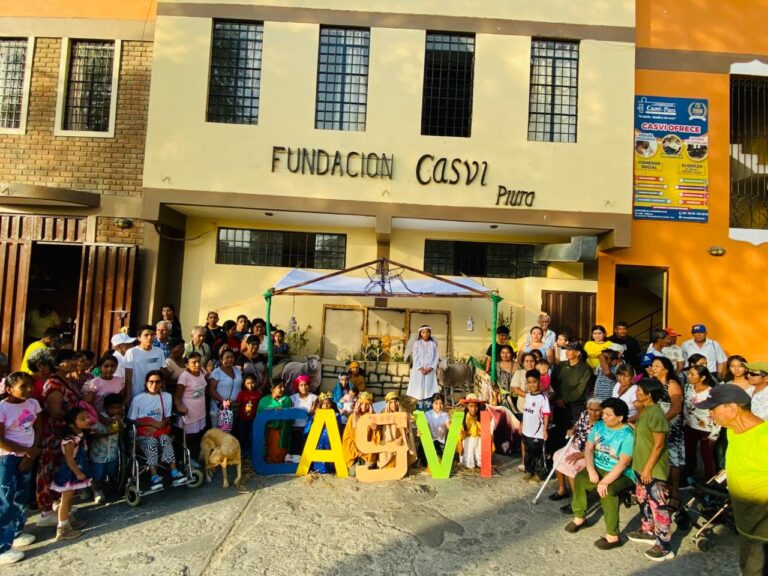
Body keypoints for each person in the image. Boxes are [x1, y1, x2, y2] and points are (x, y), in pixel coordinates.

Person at [697, 384, 768, 576]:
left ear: (732, 408)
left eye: (713, 408)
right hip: (744, 524)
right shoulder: (732, 430)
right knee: (746, 568)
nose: (710, 414)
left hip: (763, 532)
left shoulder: (764, 438)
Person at [565, 397, 635, 550]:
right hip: (598, 467)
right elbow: (589, 449)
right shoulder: (599, 426)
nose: (603, 417)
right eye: (604, 413)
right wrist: (591, 470)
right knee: (581, 478)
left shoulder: (628, 435)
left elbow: (623, 464)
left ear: (620, 417)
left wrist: (604, 481)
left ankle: (613, 535)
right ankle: (580, 517)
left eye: (608, 415)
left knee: (607, 490)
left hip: (622, 473)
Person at [628, 379, 673, 562]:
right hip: (641, 466)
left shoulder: (656, 414)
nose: (637, 393)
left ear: (650, 395)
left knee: (658, 506)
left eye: (640, 391)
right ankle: (648, 530)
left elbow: (659, 445)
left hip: (652, 469)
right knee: (644, 501)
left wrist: (647, 469)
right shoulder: (645, 411)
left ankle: (664, 546)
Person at [36, 350, 82, 528]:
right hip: (56, 434)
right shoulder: (54, 383)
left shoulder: (68, 380)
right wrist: (73, 421)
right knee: (50, 470)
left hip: (68, 432)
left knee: (62, 470)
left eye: (73, 359)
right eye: (67, 360)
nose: (72, 362)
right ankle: (47, 511)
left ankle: (60, 506)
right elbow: (55, 411)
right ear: (56, 364)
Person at [0, 372, 41, 565]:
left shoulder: (33, 404)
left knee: (21, 495)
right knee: (5, 500)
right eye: (23, 386)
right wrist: (26, 452)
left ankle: (16, 532)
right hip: (7, 458)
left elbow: (38, 428)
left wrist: (31, 453)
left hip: (27, 456)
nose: (28, 389)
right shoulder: (2, 408)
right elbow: (1, 440)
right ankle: (2, 547)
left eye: (30, 386)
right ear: (9, 389)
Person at [128, 371, 186, 490]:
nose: (154, 385)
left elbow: (168, 417)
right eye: (151, 382)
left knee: (165, 439)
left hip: (160, 430)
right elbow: (132, 420)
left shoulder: (166, 397)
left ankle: (174, 472)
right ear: (146, 383)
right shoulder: (138, 399)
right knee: (151, 441)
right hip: (143, 433)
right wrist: (152, 424)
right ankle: (154, 476)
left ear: (161, 383)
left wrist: (156, 426)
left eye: (157, 382)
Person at [549, 397, 602, 503]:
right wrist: (572, 430)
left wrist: (582, 454)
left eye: (597, 410)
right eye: (591, 409)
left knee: (571, 466)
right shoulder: (584, 414)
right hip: (574, 445)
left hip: (588, 453)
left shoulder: (603, 424)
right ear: (587, 408)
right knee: (557, 456)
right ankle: (562, 490)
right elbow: (577, 424)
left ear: (602, 410)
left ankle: (576, 500)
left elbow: (600, 447)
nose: (593, 413)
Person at [50, 407, 92, 541]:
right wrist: (78, 473)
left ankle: (69, 520)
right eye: (82, 419)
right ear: (72, 424)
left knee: (70, 499)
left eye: (87, 417)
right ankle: (62, 529)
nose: (87, 420)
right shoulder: (70, 440)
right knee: (66, 500)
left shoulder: (80, 435)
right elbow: (69, 459)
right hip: (70, 473)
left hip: (76, 470)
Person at [650, 356, 685, 506]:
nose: (653, 368)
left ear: (666, 369)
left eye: (657, 366)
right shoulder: (653, 384)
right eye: (652, 365)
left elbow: (676, 408)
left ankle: (675, 491)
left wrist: (661, 422)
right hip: (655, 425)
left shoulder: (672, 384)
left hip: (670, 425)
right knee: (659, 456)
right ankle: (662, 488)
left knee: (673, 460)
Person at [683, 365, 719, 480]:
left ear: (702, 377)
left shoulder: (711, 392)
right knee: (689, 453)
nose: (689, 376)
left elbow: (717, 413)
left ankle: (711, 481)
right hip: (689, 425)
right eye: (689, 373)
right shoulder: (687, 387)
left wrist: (714, 434)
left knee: (707, 455)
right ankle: (689, 476)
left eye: (692, 374)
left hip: (707, 428)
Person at [174, 352, 208, 463]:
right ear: (187, 365)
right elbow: (177, 396)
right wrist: (179, 407)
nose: (197, 364)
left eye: (199, 361)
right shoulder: (184, 377)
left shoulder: (202, 371)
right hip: (189, 412)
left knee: (198, 436)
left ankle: (194, 457)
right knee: (189, 438)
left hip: (200, 411)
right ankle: (187, 460)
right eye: (194, 362)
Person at [89, 393, 123, 504]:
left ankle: (105, 487)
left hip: (112, 453)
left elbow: (122, 433)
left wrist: (120, 424)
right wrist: (106, 433)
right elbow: (91, 435)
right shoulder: (99, 419)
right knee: (98, 474)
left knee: (110, 472)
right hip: (98, 454)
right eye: (112, 408)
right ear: (105, 408)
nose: (115, 410)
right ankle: (96, 491)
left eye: (118, 408)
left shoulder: (119, 418)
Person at [552, 343, 593, 425]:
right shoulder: (560, 365)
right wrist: (558, 398)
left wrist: (564, 400)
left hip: (575, 407)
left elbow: (581, 389)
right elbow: (553, 382)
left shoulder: (585, 369)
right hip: (557, 404)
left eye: (570, 350)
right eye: (566, 350)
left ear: (577, 353)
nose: (567, 352)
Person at [521, 370, 550, 483]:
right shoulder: (528, 396)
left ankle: (540, 474)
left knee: (538, 454)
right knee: (528, 452)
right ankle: (529, 471)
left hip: (537, 433)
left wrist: (545, 430)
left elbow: (546, 414)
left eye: (534, 382)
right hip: (526, 431)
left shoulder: (543, 398)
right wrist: (522, 423)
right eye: (529, 382)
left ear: (539, 382)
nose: (531, 385)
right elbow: (526, 411)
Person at [375, 392, 416, 470]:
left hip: (400, 441)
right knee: (387, 467)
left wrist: (400, 438)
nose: (393, 405)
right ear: (388, 404)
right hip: (387, 441)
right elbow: (379, 429)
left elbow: (407, 430)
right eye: (391, 402)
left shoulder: (403, 412)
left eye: (395, 402)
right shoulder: (383, 412)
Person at [124, 325, 166, 400]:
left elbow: (162, 373)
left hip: (155, 392)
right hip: (136, 393)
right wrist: (128, 395)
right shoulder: (131, 352)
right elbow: (128, 376)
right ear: (139, 338)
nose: (150, 337)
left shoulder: (159, 352)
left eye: (152, 335)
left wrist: (164, 391)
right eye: (146, 335)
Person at [257, 380, 292, 464]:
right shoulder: (264, 401)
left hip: (283, 431)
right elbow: (259, 417)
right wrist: (271, 411)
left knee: (281, 456)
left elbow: (289, 414)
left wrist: (281, 410)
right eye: (280, 387)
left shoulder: (287, 399)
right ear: (272, 389)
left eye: (283, 387)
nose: (283, 389)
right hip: (269, 431)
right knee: (270, 455)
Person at [342, 391, 376, 474]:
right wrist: (356, 450)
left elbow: (375, 437)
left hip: (367, 452)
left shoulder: (374, 418)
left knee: (367, 471)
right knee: (353, 473)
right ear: (358, 404)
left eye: (367, 404)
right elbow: (347, 437)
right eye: (362, 404)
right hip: (354, 451)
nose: (364, 406)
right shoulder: (352, 418)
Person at [407, 325, 439, 410]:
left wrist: (429, 368)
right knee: (419, 390)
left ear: (430, 333)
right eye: (423, 332)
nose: (425, 334)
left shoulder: (433, 344)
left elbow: (436, 358)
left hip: (430, 371)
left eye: (427, 332)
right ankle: (420, 409)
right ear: (420, 333)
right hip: (419, 371)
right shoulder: (417, 344)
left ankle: (428, 409)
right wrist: (421, 369)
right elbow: (415, 357)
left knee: (429, 390)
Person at [208, 349, 243, 428]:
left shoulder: (237, 370)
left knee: (232, 430)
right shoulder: (216, 373)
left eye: (232, 357)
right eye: (227, 357)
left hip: (235, 407)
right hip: (222, 407)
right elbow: (211, 390)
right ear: (221, 359)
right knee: (222, 431)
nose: (230, 359)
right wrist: (223, 401)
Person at [309, 392, 341, 474]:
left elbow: (338, 427)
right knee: (319, 448)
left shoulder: (336, 415)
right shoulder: (316, 415)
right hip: (319, 437)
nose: (326, 406)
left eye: (328, 403)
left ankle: (329, 468)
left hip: (330, 438)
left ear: (332, 404)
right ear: (320, 405)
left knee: (329, 449)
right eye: (323, 404)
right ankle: (318, 467)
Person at [417, 393, 451, 467]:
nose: (438, 406)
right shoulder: (427, 414)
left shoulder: (445, 415)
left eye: (441, 403)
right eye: (436, 403)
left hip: (441, 442)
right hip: (430, 441)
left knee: (440, 458)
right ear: (432, 404)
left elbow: (449, 426)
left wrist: (454, 430)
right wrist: (419, 431)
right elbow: (423, 427)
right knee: (423, 449)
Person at [289, 375, 317, 462]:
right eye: (301, 385)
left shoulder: (313, 398)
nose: (304, 387)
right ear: (297, 386)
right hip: (295, 427)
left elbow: (312, 411)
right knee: (295, 447)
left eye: (306, 385)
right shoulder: (293, 398)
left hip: (308, 426)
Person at [458, 393, 487, 469]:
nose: (474, 409)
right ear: (467, 406)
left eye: (476, 406)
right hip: (468, 442)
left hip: (478, 441)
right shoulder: (464, 418)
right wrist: (460, 445)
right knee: (468, 460)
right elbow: (460, 432)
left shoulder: (479, 417)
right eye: (471, 406)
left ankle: (479, 461)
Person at [236, 374, 262, 454]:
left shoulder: (258, 394)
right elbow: (238, 404)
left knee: (252, 436)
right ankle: (243, 452)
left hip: (254, 419)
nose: (250, 385)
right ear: (244, 384)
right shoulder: (242, 393)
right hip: (242, 419)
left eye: (252, 383)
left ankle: (251, 453)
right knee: (242, 436)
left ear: (256, 383)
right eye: (248, 383)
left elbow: (261, 406)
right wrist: (229, 403)